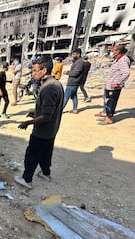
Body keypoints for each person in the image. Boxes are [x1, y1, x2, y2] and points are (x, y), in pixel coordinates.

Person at [15, 56, 64, 189]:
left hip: (42, 131)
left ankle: (27, 179)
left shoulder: (49, 88)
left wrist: (29, 122)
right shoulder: (56, 84)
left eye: (35, 70)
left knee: (32, 154)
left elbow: (47, 116)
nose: (33, 73)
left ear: (44, 70)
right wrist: (35, 113)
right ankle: (45, 173)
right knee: (45, 153)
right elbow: (51, 109)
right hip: (51, 130)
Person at [95, 44, 131, 125]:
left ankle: (109, 119)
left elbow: (126, 73)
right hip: (110, 85)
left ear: (118, 51)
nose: (112, 51)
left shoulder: (123, 60)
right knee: (108, 101)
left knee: (111, 102)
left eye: (113, 50)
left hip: (114, 86)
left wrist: (118, 83)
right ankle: (107, 115)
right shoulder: (118, 59)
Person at [63, 48, 84, 114]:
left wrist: (68, 72)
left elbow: (76, 73)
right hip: (74, 82)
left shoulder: (80, 62)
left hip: (73, 82)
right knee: (74, 96)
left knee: (65, 97)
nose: (72, 55)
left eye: (74, 54)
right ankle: (75, 109)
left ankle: (59, 110)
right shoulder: (77, 61)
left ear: (78, 54)